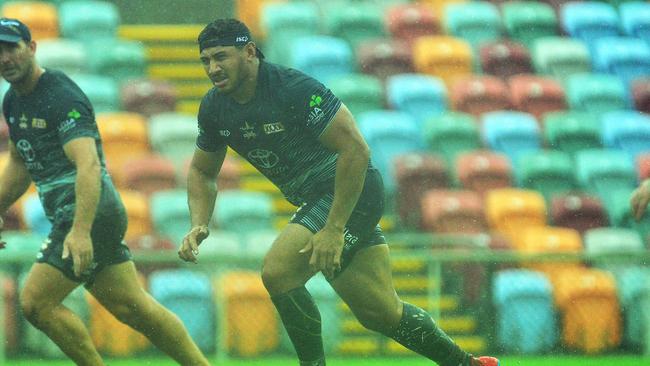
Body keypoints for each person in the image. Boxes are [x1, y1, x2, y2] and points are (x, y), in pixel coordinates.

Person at [178, 18, 500, 366]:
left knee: (278, 272)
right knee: (380, 312)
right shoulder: (214, 108)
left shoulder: (293, 89)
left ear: (250, 52)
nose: (212, 68)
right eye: (205, 60)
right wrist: (199, 222)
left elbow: (357, 151)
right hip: (325, 202)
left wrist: (334, 228)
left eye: (221, 57)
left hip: (350, 194)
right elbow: (201, 171)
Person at [0, 18, 210, 366]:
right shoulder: (14, 102)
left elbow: (89, 165)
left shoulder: (59, 93)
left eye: (12, 47)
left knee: (36, 302)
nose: (5, 57)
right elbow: (21, 164)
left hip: (87, 213)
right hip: (85, 215)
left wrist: (80, 231)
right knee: (133, 307)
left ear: (32, 48)